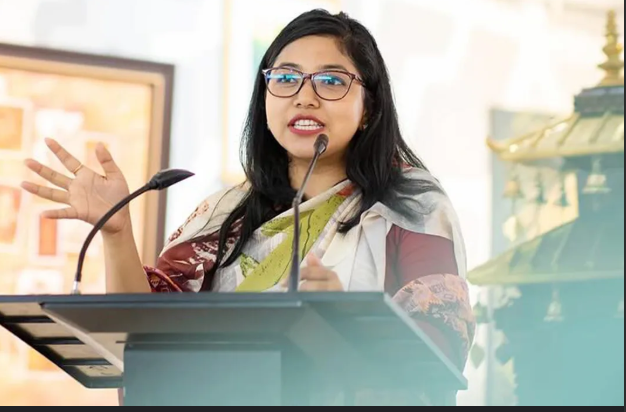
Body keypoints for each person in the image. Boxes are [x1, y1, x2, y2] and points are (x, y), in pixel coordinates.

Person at [21, 9, 475, 401]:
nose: (305, 96)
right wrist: (118, 233)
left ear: (369, 107)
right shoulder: (225, 211)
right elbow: (141, 341)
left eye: (331, 81)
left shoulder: (411, 205)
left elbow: (441, 346)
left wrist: (345, 319)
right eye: (286, 78)